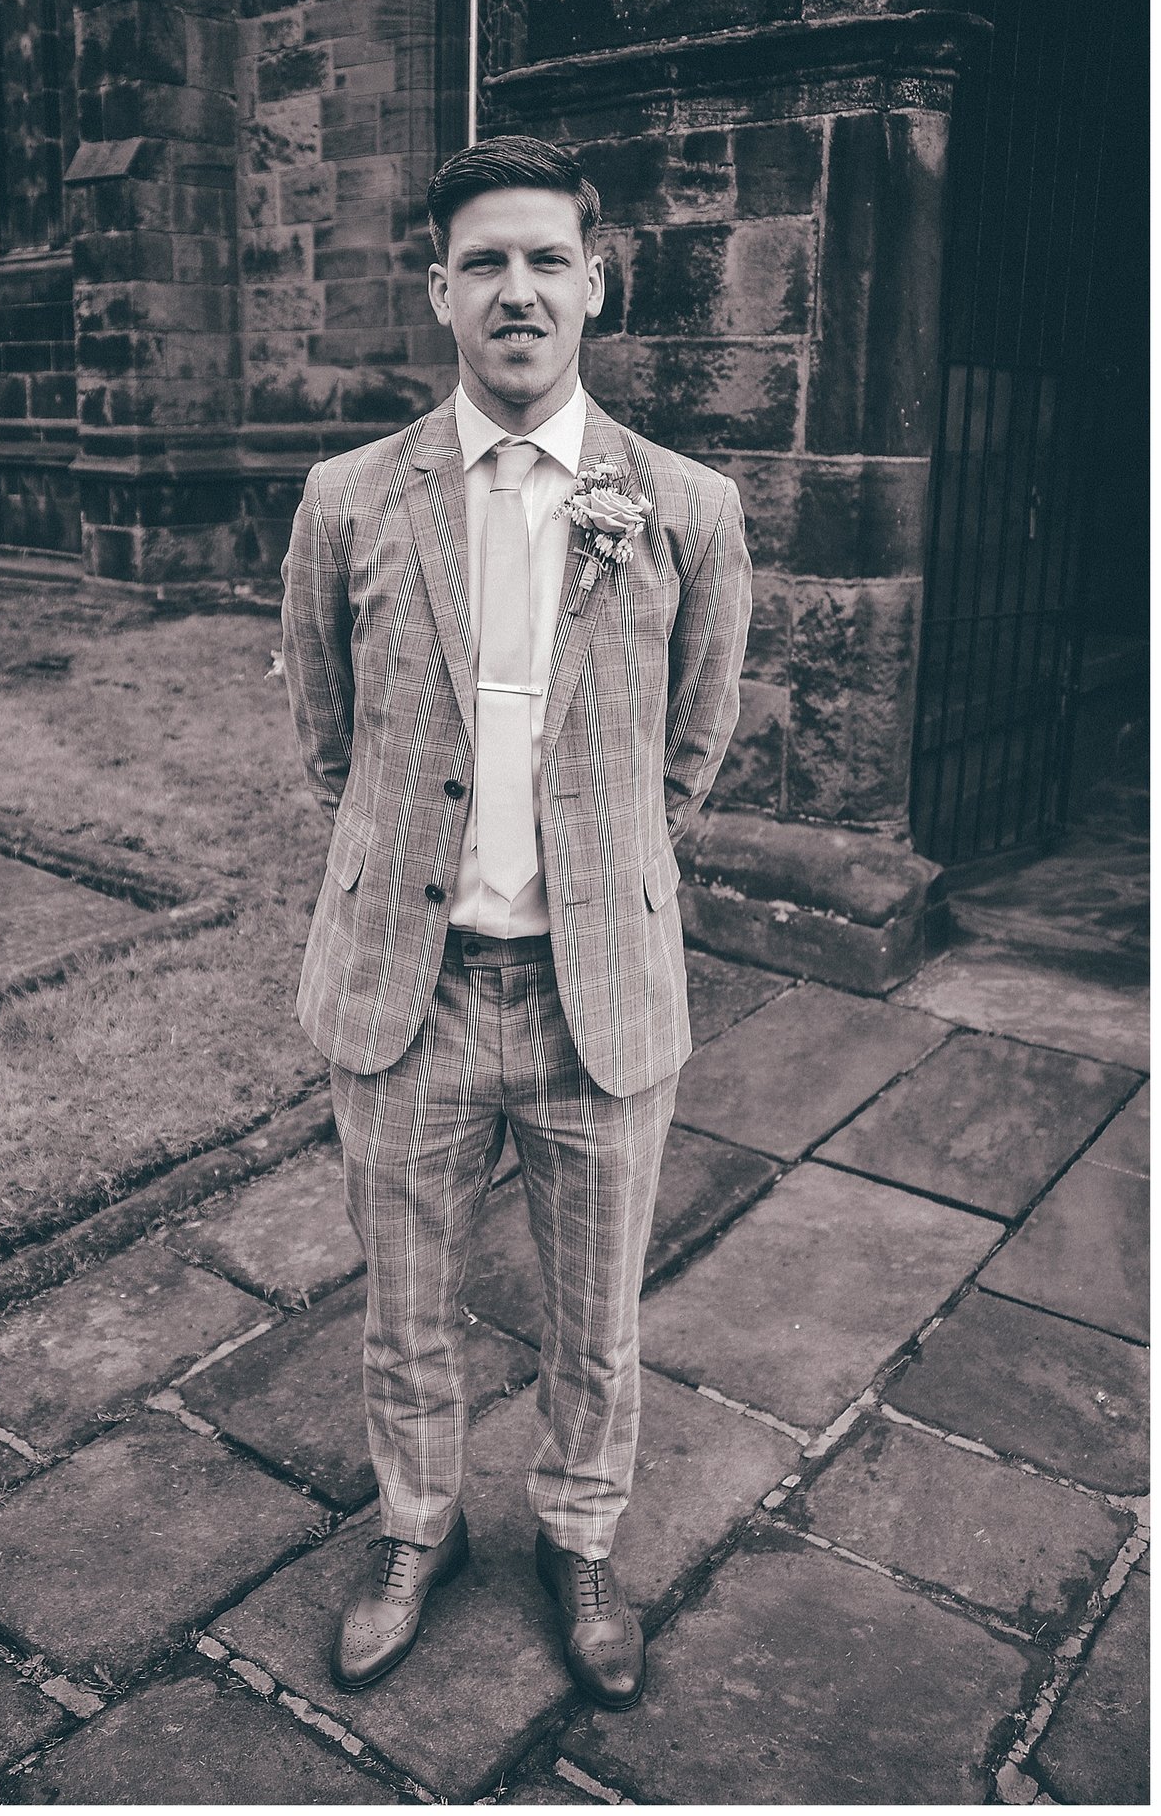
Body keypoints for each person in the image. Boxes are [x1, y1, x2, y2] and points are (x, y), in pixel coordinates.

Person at [278, 135, 749, 1709]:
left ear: (596, 285)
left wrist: (603, 879)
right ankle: (418, 1527)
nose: (518, 289)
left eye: (547, 259)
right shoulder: (348, 500)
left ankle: (580, 1534)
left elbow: (694, 745)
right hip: (405, 989)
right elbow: (328, 736)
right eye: (485, 261)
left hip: (594, 996)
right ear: (439, 294)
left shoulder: (684, 508)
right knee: (402, 1306)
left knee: (594, 1314)